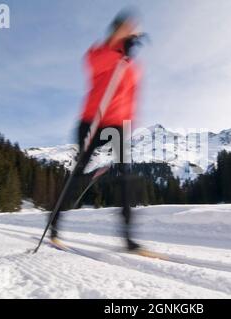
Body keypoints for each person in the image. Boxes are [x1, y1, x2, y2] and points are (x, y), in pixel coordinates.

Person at [49, 9, 142, 251]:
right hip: (93, 120)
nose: (130, 32)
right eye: (125, 28)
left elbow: (131, 99)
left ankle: (128, 236)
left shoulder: (131, 67)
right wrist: (117, 50)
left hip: (118, 125)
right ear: (116, 31)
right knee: (79, 172)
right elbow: (91, 63)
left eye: (132, 30)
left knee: (126, 176)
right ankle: (55, 223)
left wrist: (129, 125)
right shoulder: (101, 54)